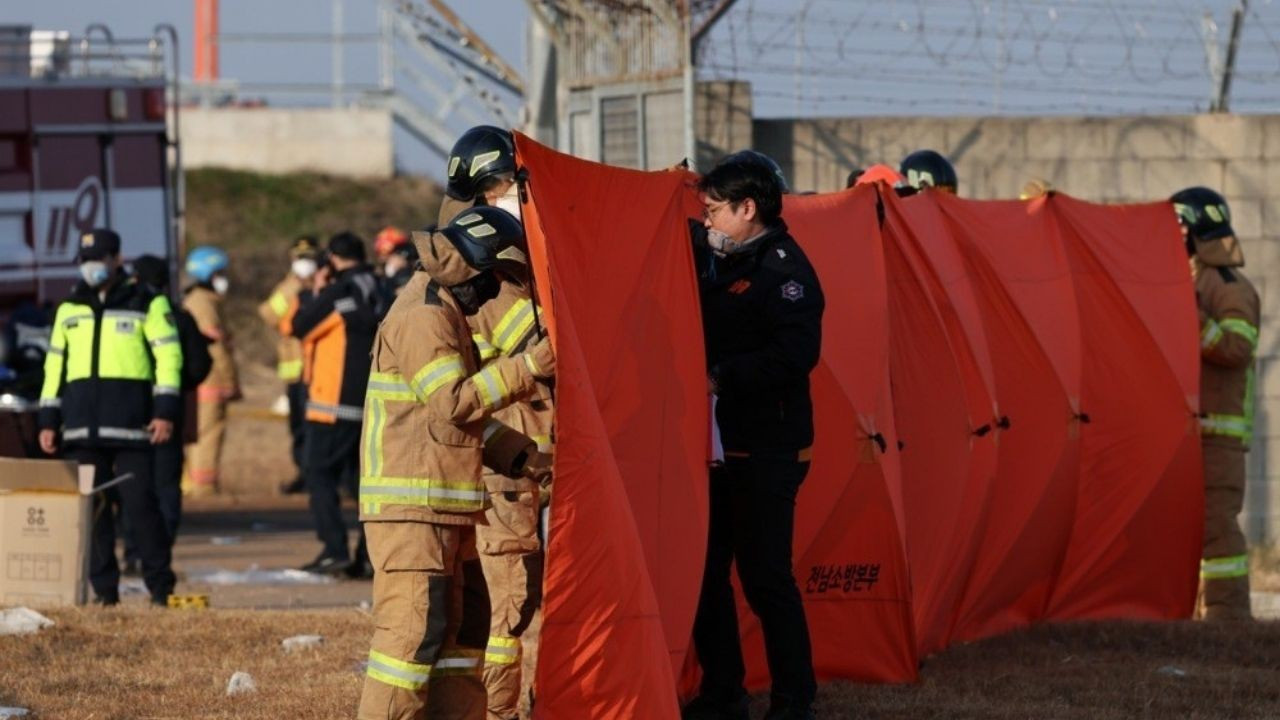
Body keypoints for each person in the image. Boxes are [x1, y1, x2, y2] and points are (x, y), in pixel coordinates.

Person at [356, 206, 554, 720]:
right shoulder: (423, 316)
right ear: (469, 267)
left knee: (461, 640)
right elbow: (452, 401)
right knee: (410, 638)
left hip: (447, 507)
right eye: (491, 281)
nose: (492, 294)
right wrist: (528, 367)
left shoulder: (446, 314)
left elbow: (454, 423)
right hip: (411, 513)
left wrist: (523, 456)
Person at [685, 156, 825, 720]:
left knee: (766, 578)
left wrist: (721, 377)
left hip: (768, 446)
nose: (707, 220)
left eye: (715, 210)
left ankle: (795, 702)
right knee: (707, 572)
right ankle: (724, 693)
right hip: (718, 448)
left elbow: (794, 357)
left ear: (749, 208)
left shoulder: (784, 273)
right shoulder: (720, 256)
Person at [444, 124, 554, 720]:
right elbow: (536, 352)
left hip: (545, 450)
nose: (504, 196)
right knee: (508, 601)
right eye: (496, 190)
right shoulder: (485, 274)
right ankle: (498, 712)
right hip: (507, 453)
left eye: (508, 184)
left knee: (535, 593)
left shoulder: (525, 254)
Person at [37, 229, 180, 606]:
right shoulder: (68, 309)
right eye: (85, 260)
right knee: (94, 513)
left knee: (141, 507)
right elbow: (54, 368)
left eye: (98, 259)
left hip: (133, 425)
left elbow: (169, 359)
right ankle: (105, 593)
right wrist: (48, 419)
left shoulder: (147, 302)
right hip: (82, 427)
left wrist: (165, 411)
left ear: (117, 259)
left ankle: (160, 588)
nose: (91, 268)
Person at [1172, 186, 1260, 622]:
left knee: (1218, 535)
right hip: (1190, 434)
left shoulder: (1229, 286)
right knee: (1185, 532)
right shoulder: (1189, 280)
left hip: (1219, 440)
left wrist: (1193, 318)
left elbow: (1238, 346)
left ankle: (1228, 622)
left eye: (1179, 226)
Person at [288, 232, 383, 576]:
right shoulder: (380, 285)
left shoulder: (340, 290)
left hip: (332, 403)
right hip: (372, 399)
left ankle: (334, 550)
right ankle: (370, 556)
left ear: (332, 259)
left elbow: (300, 325)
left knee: (318, 473)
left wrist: (319, 288)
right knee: (362, 482)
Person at [124, 255, 212, 565]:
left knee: (133, 486)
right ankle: (159, 552)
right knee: (165, 486)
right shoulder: (180, 317)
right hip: (168, 413)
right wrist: (177, 388)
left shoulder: (129, 315)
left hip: (130, 413)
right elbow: (201, 364)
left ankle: (133, 552)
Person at [259, 236, 322, 494]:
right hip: (295, 372)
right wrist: (292, 291)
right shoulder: (286, 288)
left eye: (309, 258)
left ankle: (319, 475)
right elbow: (268, 314)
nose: (305, 263)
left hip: (319, 371)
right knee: (298, 427)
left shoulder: (325, 285)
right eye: (300, 258)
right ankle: (303, 473)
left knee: (316, 427)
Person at [182, 246, 240, 496]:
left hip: (203, 381)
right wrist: (230, 381)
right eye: (219, 273)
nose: (223, 278)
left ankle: (195, 484)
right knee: (209, 435)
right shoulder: (203, 303)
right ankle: (203, 487)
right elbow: (217, 349)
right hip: (211, 382)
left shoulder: (199, 300)